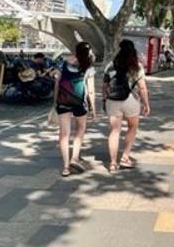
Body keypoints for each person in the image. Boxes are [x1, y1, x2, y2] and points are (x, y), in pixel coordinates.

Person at [102, 39, 151, 172]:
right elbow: (142, 88)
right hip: (131, 100)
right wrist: (146, 104)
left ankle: (112, 164)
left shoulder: (111, 65)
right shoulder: (136, 66)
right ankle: (125, 157)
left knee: (114, 131)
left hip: (113, 100)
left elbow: (105, 86)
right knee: (132, 127)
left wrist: (104, 99)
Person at [54, 42, 96, 177]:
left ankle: (66, 167)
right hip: (79, 103)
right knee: (80, 129)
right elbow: (90, 91)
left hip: (63, 101)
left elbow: (57, 83)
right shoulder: (88, 67)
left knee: (64, 134)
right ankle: (74, 158)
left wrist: (55, 101)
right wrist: (93, 109)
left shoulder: (63, 63)